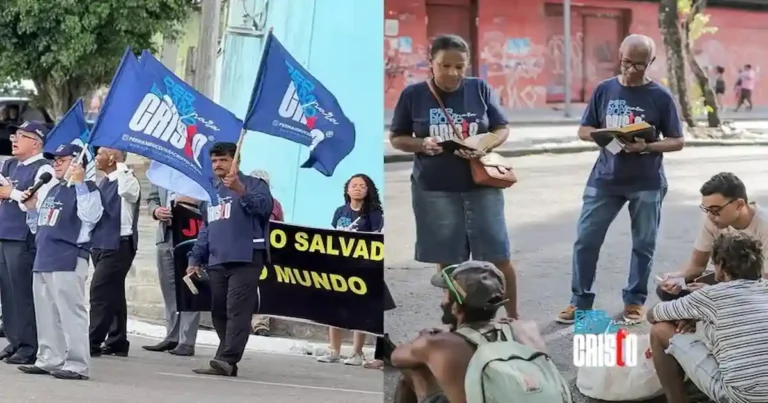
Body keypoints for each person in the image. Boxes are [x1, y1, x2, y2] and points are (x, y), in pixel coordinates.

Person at [557, 34, 685, 324]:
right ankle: (580, 301)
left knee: (643, 243)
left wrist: (647, 146)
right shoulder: (605, 90)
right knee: (586, 240)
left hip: (647, 180)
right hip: (605, 177)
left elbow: (677, 141)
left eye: (638, 65)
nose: (630, 70)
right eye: (626, 62)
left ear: (650, 62)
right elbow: (584, 129)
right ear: (620, 55)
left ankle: (634, 301)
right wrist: (603, 136)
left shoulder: (660, 96)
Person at [389, 34, 518, 319]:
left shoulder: (480, 89)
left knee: (497, 255)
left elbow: (502, 127)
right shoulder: (413, 95)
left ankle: (512, 317)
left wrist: (484, 143)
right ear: (431, 63)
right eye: (445, 65)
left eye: (459, 66)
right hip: (434, 189)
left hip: (481, 184)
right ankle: (455, 314)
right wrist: (422, 144)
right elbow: (397, 138)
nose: (453, 73)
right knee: (449, 260)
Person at [648, 233, 768, 403]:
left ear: (721, 268)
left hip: (741, 397)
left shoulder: (710, 296)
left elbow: (653, 314)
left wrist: (694, 306)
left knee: (660, 330)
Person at [17, 144, 103, 380]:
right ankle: (48, 358)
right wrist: (33, 209)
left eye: (62, 160)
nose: (56, 163)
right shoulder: (54, 190)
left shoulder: (88, 188)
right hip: (44, 257)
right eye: (55, 159)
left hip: (68, 257)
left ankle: (77, 364)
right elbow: (39, 227)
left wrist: (81, 184)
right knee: (46, 314)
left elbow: (91, 216)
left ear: (77, 164)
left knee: (70, 313)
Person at [187, 142, 273, 376]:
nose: (218, 165)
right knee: (219, 311)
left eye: (223, 160)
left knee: (237, 309)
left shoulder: (255, 184)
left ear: (236, 160)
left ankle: (227, 358)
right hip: (217, 258)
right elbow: (206, 227)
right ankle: (226, 358)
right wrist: (195, 258)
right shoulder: (211, 192)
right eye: (214, 161)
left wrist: (240, 190)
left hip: (246, 257)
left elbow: (265, 208)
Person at [391, 261, 509, 403]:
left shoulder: (435, 344)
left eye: (445, 294)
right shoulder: (523, 330)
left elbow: (396, 358)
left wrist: (423, 338)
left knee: (414, 370)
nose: (442, 301)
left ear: (455, 307)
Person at [657, 172, 768, 301]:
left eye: (715, 210)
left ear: (739, 205)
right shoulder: (712, 221)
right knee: (668, 291)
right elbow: (697, 266)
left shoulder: (764, 226)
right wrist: (675, 279)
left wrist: (713, 292)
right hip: (725, 282)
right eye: (707, 210)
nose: (710, 216)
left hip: (756, 288)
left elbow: (764, 285)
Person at [0, 121, 55, 364]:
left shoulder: (45, 169)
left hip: (22, 237)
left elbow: (36, 204)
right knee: (7, 293)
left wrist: (10, 193)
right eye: (14, 135)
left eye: (20, 136)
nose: (14, 139)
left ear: (36, 142)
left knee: (22, 292)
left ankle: (29, 344)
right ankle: (15, 339)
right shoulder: (11, 164)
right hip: (4, 232)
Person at [317, 173, 384, 366]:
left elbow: (376, 240)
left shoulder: (374, 214)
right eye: (353, 185)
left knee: (359, 309)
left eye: (362, 185)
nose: (357, 188)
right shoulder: (340, 211)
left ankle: (357, 352)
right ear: (347, 189)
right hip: (339, 265)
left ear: (368, 190)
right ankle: (334, 351)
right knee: (334, 308)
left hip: (362, 267)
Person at [88, 147, 141, 357]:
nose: (96, 157)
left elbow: (128, 192)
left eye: (100, 153)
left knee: (99, 292)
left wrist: (120, 161)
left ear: (112, 158)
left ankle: (92, 341)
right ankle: (118, 340)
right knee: (114, 293)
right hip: (100, 243)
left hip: (119, 244)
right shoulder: (104, 181)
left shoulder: (127, 179)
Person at [142, 184, 201, 356]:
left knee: (190, 287)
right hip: (166, 233)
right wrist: (156, 211)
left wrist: (191, 206)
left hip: (191, 233)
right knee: (169, 288)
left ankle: (186, 340)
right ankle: (172, 336)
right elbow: (152, 197)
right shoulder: (162, 169)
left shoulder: (196, 168)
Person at [248, 169, 283, 337]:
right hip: (243, 249)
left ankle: (261, 323)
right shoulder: (240, 199)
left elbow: (281, 228)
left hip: (266, 252)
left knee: (264, 288)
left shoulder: (275, 204)